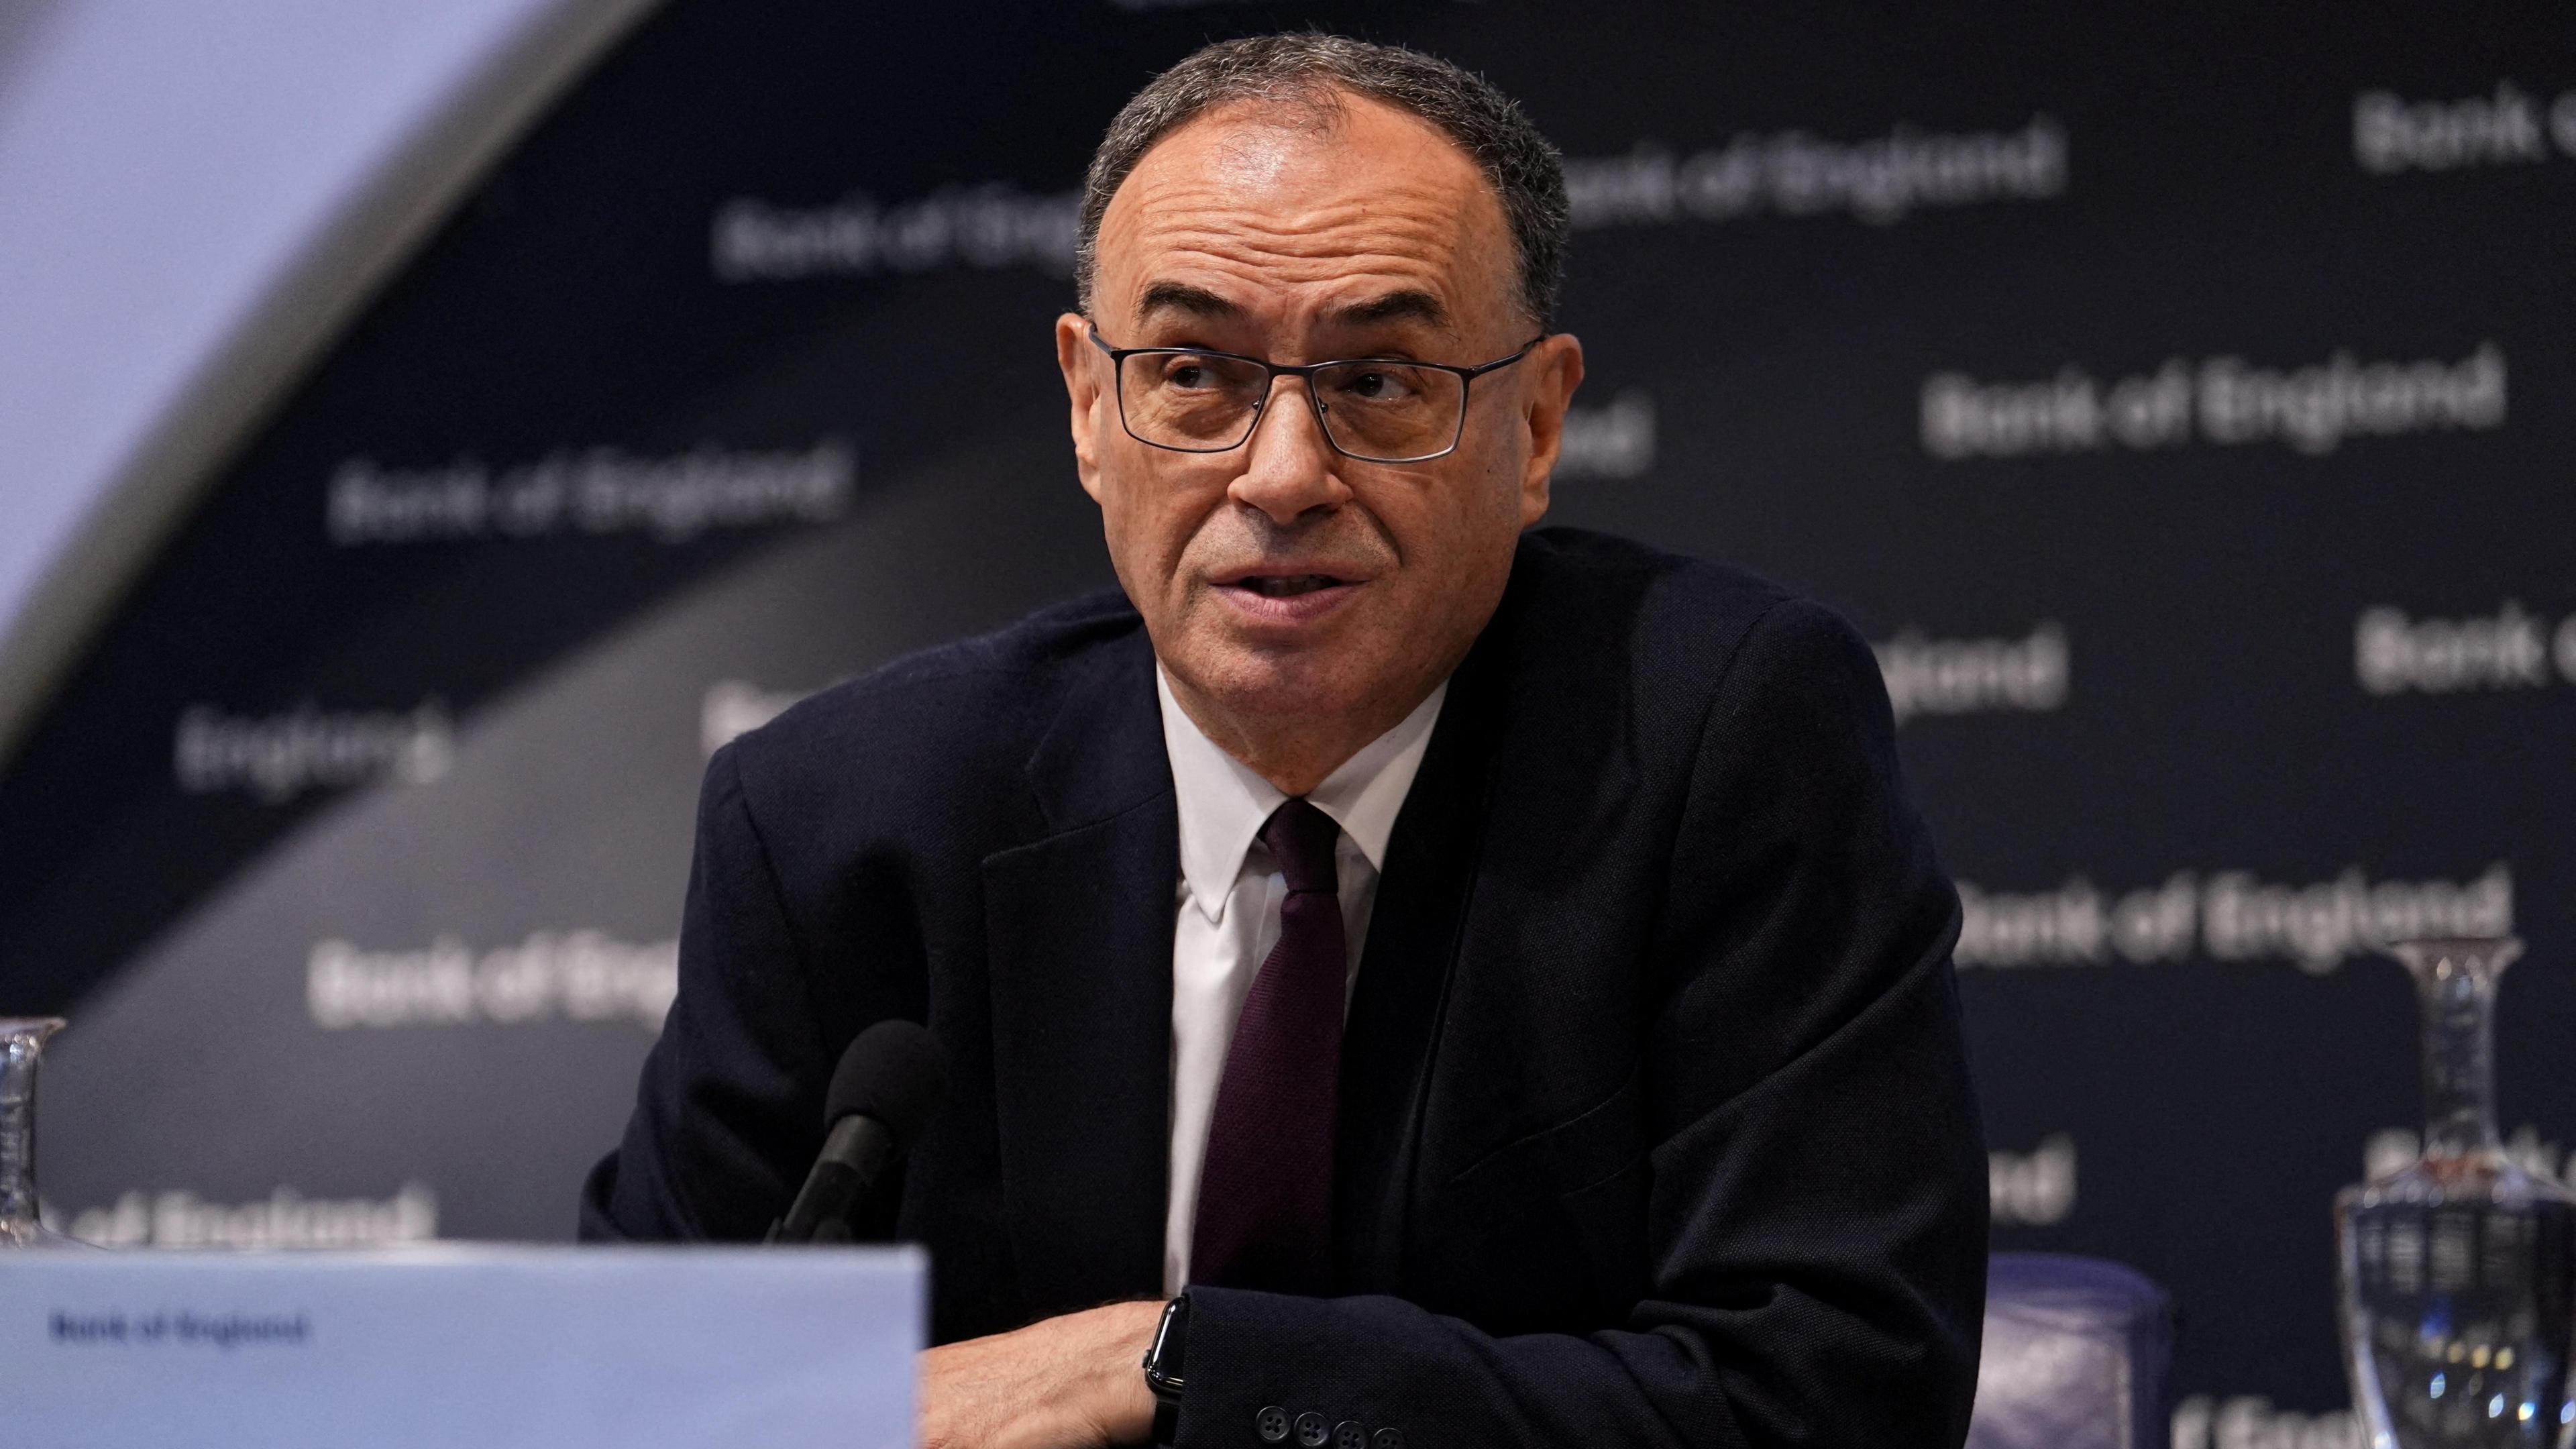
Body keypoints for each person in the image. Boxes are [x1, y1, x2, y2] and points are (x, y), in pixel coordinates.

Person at [582, 33, 1988, 1449]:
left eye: (1380, 382)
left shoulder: (1720, 744)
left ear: (1538, 423)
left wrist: (1175, 1364)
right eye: (1194, 370)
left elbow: (1836, 1398)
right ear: (1089, 406)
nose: (1285, 473)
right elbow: (629, 1399)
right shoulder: (839, 821)